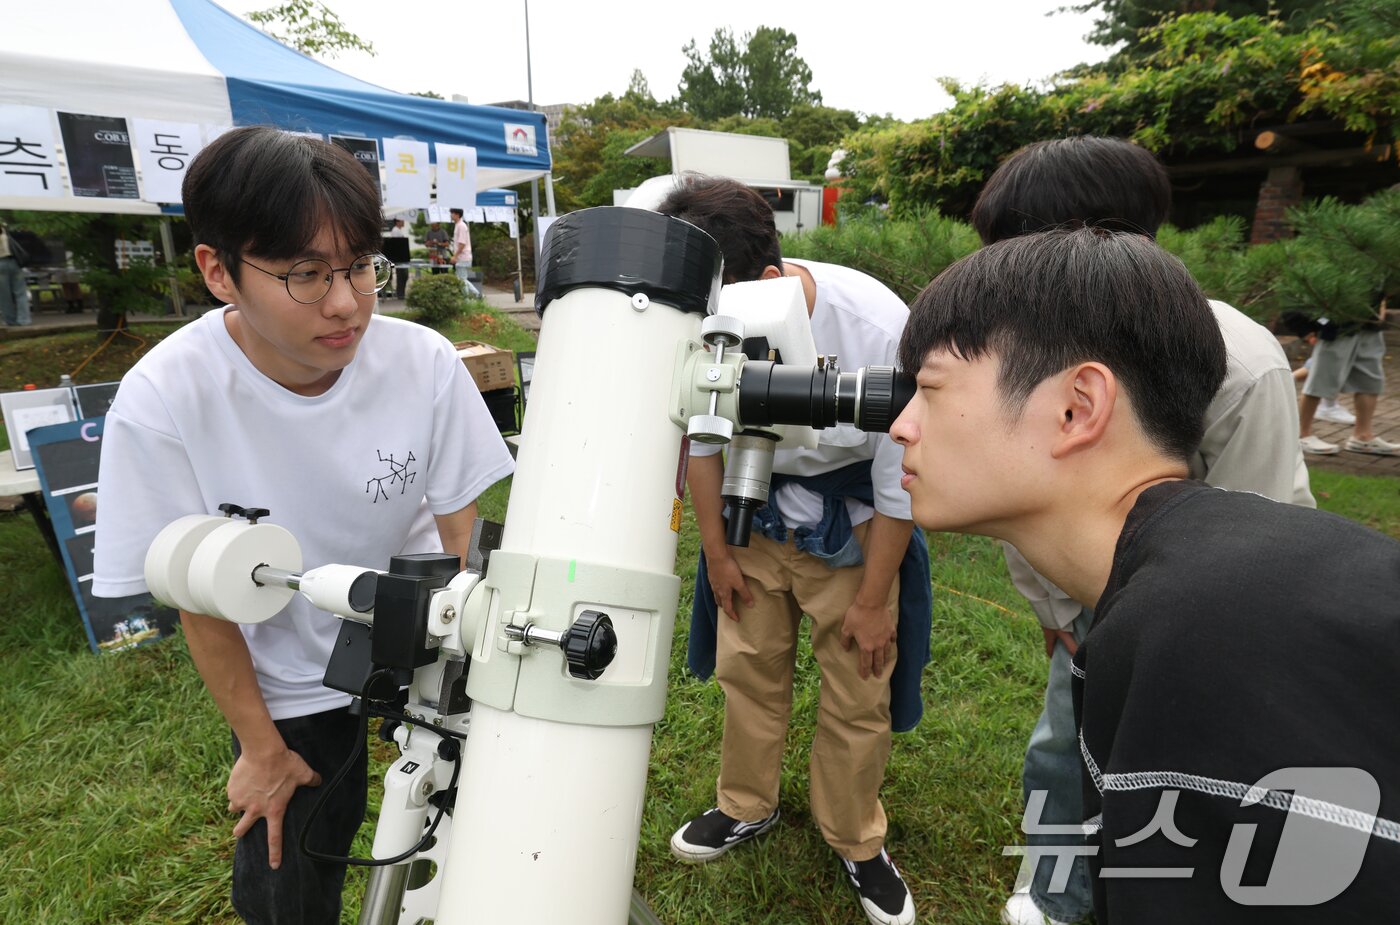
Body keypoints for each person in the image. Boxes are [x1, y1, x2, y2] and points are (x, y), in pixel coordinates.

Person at [890, 227, 1398, 924]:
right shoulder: (1169, 595)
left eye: (929, 388)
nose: (900, 425)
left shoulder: (1206, 635)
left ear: (1077, 407)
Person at [91, 126, 514, 925]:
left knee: (483, 836)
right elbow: (201, 593)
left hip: (420, 625)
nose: (348, 302)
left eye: (358, 265)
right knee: (287, 874)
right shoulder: (165, 399)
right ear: (219, 271)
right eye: (306, 274)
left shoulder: (421, 363)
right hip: (287, 674)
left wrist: (477, 685)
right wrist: (261, 750)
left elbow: (466, 537)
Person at [966, 136, 1315, 925]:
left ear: (1109, 243)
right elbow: (1018, 502)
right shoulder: (1027, 359)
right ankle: (1055, 890)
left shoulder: (1238, 362)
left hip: (1232, 617)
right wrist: (1061, 617)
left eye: (1021, 257)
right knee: (1063, 747)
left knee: (1196, 763)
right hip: (1096, 597)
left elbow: (1256, 530)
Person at [659, 176, 930, 925]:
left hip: (854, 522)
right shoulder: (697, 314)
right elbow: (702, 435)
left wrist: (876, 599)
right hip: (753, 514)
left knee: (857, 682)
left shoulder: (876, 324)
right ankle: (745, 803)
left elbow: (897, 473)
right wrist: (717, 553)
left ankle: (855, 836)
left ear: (770, 283)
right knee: (747, 668)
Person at [1297, 300, 1397, 456]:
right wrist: (1307, 329)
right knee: (1319, 381)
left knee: (1370, 381)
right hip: (1338, 327)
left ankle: (1362, 437)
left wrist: (1380, 309)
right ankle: (1302, 435)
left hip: (1369, 326)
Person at [0, 221, 32, 326]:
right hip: (14, 263)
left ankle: (10, 320)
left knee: (4, 296)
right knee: (20, 293)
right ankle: (24, 319)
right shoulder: (5, 233)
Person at [449, 206, 480, 297]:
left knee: (461, 280)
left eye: (452, 213)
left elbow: (462, 244)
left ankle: (471, 296)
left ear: (457, 215)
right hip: (462, 257)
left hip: (463, 257)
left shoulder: (461, 226)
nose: (451, 215)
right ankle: (476, 295)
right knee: (462, 279)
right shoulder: (458, 225)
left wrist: (455, 256)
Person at [388, 217, 411, 300]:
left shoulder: (398, 230)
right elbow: (397, 245)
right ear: (397, 222)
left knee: (403, 275)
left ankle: (401, 294)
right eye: (402, 220)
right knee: (402, 275)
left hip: (401, 258)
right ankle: (400, 295)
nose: (403, 222)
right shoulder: (395, 231)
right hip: (400, 258)